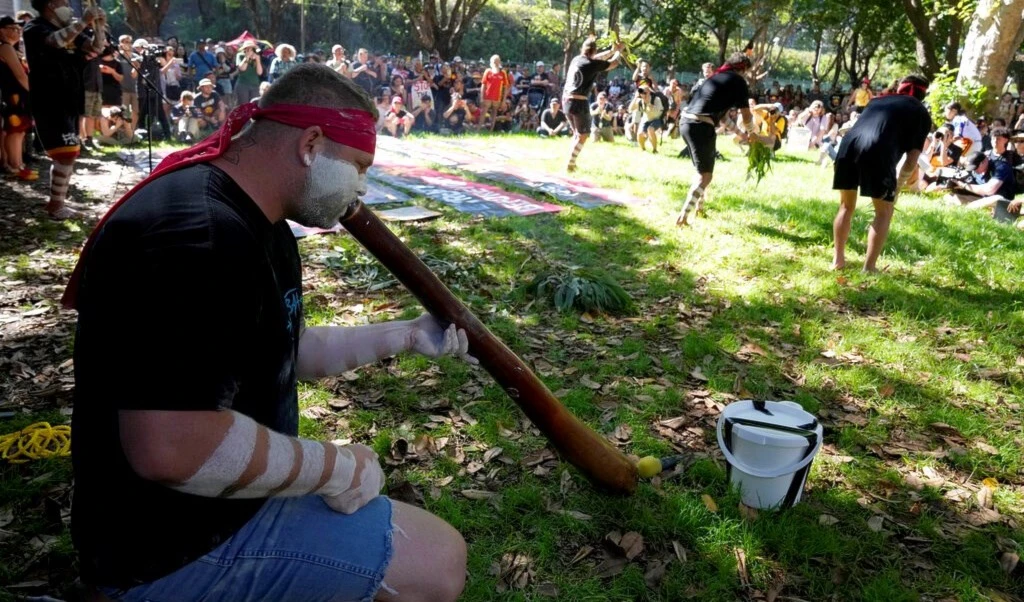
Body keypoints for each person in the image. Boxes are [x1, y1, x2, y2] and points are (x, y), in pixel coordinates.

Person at [64, 63, 468, 602]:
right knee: (438, 561)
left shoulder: (262, 222)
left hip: (222, 501)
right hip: (169, 547)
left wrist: (407, 335)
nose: (363, 189)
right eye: (359, 167)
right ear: (311, 144)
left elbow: (281, 348)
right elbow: (170, 447)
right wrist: (334, 466)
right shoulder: (199, 236)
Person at [831, 74, 932, 272]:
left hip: (848, 145)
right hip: (878, 151)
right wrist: (899, 186)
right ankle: (869, 268)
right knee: (884, 212)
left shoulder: (878, 100)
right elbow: (912, 159)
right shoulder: (920, 112)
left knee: (845, 206)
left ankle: (838, 261)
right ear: (923, 94)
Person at [24, 0, 107, 220]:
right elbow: (55, 42)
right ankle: (56, 205)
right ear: (51, 4)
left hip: (70, 97)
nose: (69, 7)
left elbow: (95, 48)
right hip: (49, 99)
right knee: (66, 153)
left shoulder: (69, 30)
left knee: (69, 153)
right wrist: (84, 21)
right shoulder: (35, 27)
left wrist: (99, 27)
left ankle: (57, 204)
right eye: (65, 2)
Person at [675, 53, 757, 226]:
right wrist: (753, 133)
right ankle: (683, 216)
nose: (746, 75)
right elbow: (747, 114)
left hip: (687, 123)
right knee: (705, 176)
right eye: (747, 71)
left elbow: (721, 117)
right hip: (701, 126)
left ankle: (700, 208)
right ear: (742, 68)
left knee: (702, 171)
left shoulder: (715, 78)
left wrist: (741, 134)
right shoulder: (738, 81)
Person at [562, 35, 624, 170]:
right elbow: (613, 63)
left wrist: (612, 50)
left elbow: (596, 58)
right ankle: (570, 163)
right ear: (594, 51)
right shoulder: (592, 64)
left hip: (566, 101)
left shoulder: (576, 60)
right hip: (579, 102)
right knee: (583, 135)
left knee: (577, 133)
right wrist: (619, 51)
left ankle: (571, 160)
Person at [0, 15, 36, 180]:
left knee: (20, 131)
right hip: (13, 95)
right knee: (15, 131)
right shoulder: (5, 48)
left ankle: (19, 164)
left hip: (19, 94)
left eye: (18, 29)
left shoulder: (13, 48)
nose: (17, 31)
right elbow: (20, 75)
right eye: (12, 28)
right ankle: (15, 166)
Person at [479, 54, 510, 130]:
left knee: (494, 113)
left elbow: (506, 87)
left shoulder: (503, 73)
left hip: (497, 97)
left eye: (497, 61)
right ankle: (478, 129)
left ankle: (491, 130)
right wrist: (481, 97)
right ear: (491, 62)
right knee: (483, 112)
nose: (496, 63)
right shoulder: (488, 71)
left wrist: (503, 100)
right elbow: (483, 85)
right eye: (494, 61)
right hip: (487, 96)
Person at [630, 83, 663, 153]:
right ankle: (643, 149)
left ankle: (654, 150)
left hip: (656, 118)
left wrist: (649, 104)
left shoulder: (656, 99)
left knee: (650, 129)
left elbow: (658, 113)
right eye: (641, 93)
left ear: (649, 92)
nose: (643, 95)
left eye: (645, 93)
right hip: (646, 119)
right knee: (640, 134)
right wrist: (635, 98)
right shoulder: (640, 101)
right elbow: (630, 109)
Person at [234, 40, 263, 104]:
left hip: (255, 85)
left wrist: (258, 60)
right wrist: (247, 57)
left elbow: (260, 73)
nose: (250, 50)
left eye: (251, 48)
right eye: (248, 48)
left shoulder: (256, 57)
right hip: (243, 84)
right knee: (243, 105)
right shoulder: (240, 55)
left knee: (254, 105)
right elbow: (242, 68)